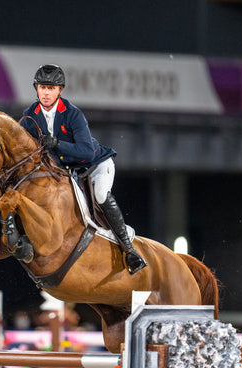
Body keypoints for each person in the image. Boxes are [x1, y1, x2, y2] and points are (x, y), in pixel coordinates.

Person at [20, 64, 147, 274]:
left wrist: (57, 144)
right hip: (67, 172)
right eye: (42, 87)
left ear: (60, 90)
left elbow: (86, 152)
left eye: (51, 88)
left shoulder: (73, 114)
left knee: (100, 196)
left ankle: (129, 249)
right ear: (36, 89)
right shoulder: (29, 115)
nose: (46, 93)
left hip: (95, 165)